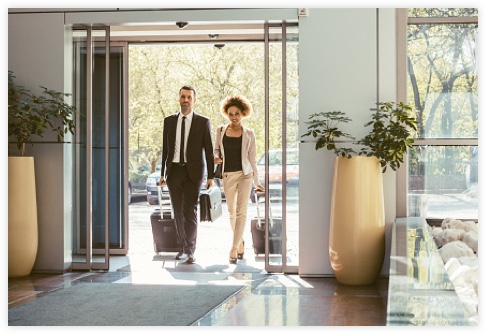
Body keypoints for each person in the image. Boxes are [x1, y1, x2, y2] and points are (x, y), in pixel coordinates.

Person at [158, 85, 214, 264]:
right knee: (177, 211)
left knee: (190, 210)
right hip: (174, 171)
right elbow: (165, 150)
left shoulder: (202, 122)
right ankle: (181, 247)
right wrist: (162, 174)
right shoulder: (169, 121)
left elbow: (209, 150)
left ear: (194, 100)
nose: (186, 100)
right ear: (178, 99)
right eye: (183, 97)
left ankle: (190, 250)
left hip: (193, 173)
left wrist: (211, 176)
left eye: (189, 97)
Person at [214, 95, 265, 264]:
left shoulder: (249, 134)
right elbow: (216, 149)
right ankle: (240, 242)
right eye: (231, 114)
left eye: (237, 113)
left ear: (243, 113)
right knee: (232, 212)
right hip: (228, 175)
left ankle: (234, 248)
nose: (234, 117)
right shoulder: (220, 131)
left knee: (241, 210)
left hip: (245, 175)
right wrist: (216, 157)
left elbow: (252, 159)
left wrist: (257, 182)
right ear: (226, 113)